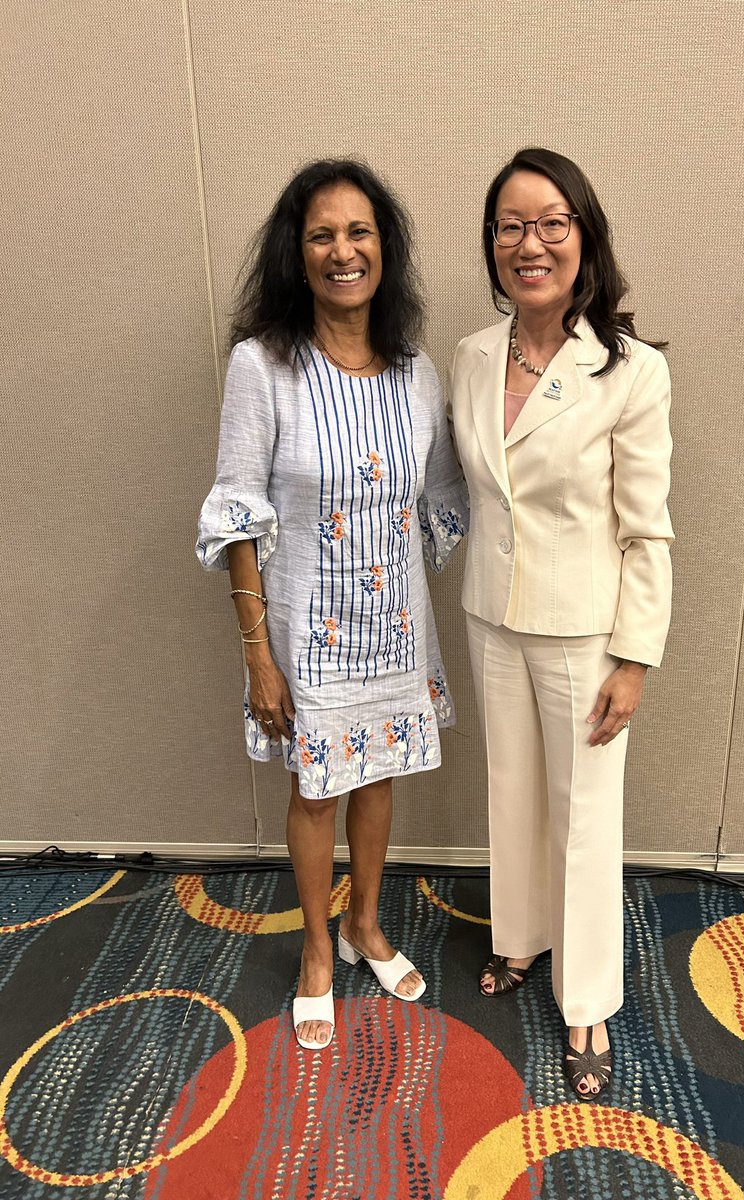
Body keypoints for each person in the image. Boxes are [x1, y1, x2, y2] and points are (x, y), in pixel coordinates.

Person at [196, 160, 467, 1051]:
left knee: (376, 778)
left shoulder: (418, 372)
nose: (343, 250)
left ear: (383, 248)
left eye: (359, 232)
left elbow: (440, 495)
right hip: (305, 635)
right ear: (297, 253)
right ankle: (318, 945)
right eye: (323, 235)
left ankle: (366, 923)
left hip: (394, 628)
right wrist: (255, 653)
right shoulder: (261, 366)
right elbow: (238, 509)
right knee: (318, 789)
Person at [449, 148, 673, 1098]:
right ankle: (519, 940)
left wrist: (635, 658)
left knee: (585, 817)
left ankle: (587, 1001)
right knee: (512, 793)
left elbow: (647, 526)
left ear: (584, 236)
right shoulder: (467, 356)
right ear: (492, 245)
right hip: (491, 616)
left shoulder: (630, 371)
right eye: (509, 225)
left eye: (550, 222)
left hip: (586, 630)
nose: (528, 243)